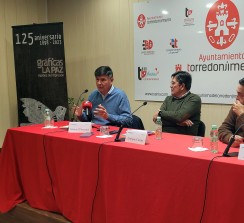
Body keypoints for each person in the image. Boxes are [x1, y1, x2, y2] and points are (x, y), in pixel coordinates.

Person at [152, 71, 201, 135]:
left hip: (184, 139)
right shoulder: (168, 99)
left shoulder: (194, 99)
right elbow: (157, 119)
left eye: (173, 83)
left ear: (182, 86)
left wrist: (160, 112)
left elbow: (179, 116)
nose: (171, 86)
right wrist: (177, 122)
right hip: (164, 136)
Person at [218, 78, 244, 147]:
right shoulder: (237, 106)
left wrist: (242, 114)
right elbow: (223, 129)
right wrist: (230, 138)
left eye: (241, 95)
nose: (237, 98)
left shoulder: (239, 109)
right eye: (237, 93)